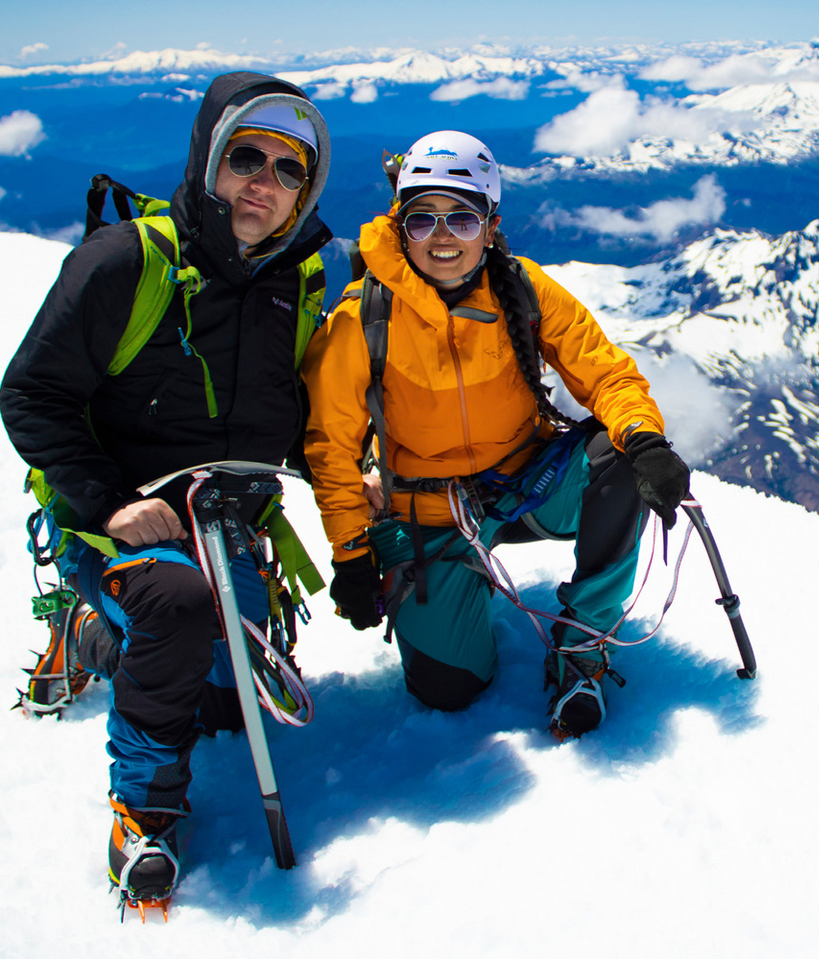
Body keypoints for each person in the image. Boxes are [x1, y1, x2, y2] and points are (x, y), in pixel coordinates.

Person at [1, 72, 332, 910]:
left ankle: (99, 641)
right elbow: (30, 394)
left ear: (305, 192)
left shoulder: (296, 282)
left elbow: (282, 409)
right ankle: (144, 807)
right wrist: (108, 502)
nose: (264, 183)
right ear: (207, 160)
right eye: (245, 158)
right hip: (119, 520)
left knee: (223, 705)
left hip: (224, 522)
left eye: (289, 170)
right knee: (179, 608)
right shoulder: (126, 263)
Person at [301, 131, 690, 739]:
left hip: (525, 486)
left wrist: (644, 440)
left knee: (616, 456)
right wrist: (352, 555)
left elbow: (605, 372)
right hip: (428, 513)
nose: (443, 236)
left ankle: (583, 647)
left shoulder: (524, 289)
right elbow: (331, 449)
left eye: (461, 217)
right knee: (449, 690)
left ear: (490, 223)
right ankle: (458, 583)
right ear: (400, 224)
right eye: (423, 218)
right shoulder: (361, 319)